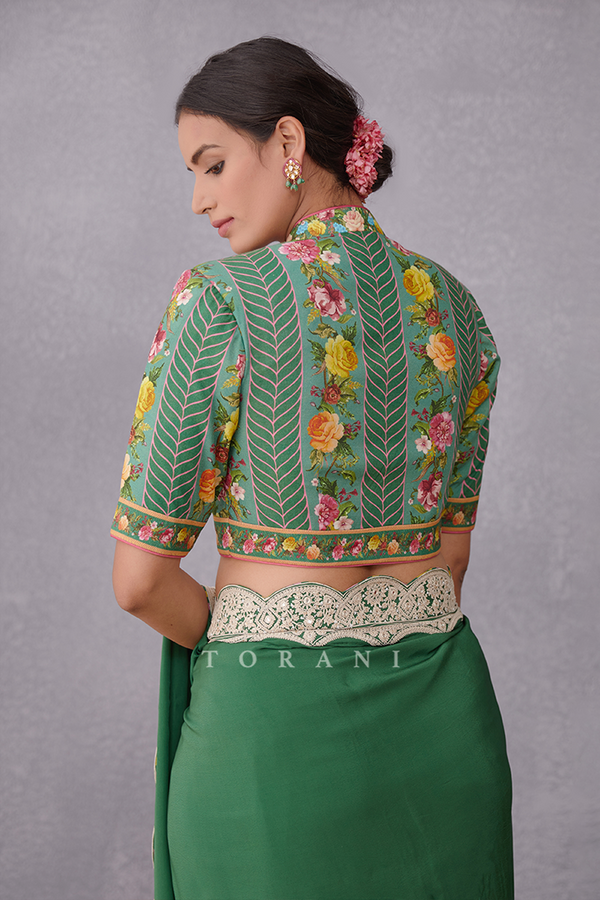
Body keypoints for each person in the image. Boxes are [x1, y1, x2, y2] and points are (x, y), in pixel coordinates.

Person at [111, 36, 513, 900]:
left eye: (213, 165)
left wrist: (252, 628)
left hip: (273, 738)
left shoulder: (220, 302)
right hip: (445, 730)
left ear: (288, 142)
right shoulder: (457, 309)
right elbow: (449, 562)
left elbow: (141, 582)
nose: (199, 198)